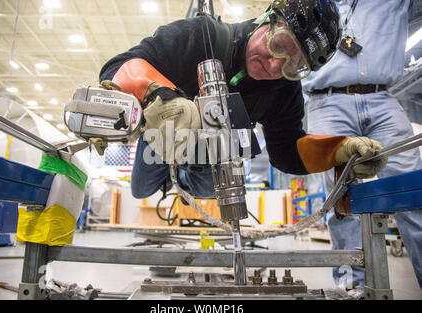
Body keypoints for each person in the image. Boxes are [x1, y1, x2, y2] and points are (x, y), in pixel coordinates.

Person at [99, 1, 385, 224]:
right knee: (140, 189)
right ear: (267, 19)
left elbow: (287, 151)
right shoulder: (201, 35)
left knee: (209, 189)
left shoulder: (282, 89)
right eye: (278, 45)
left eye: (293, 65)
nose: (275, 66)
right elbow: (116, 67)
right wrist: (155, 95)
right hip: (162, 136)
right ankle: (168, 173)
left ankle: (184, 182)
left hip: (211, 153)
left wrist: (338, 150)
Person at [302, 0, 422, 293]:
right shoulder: (308, 5)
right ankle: (351, 289)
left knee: (414, 195)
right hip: (326, 101)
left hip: (383, 98)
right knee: (340, 204)